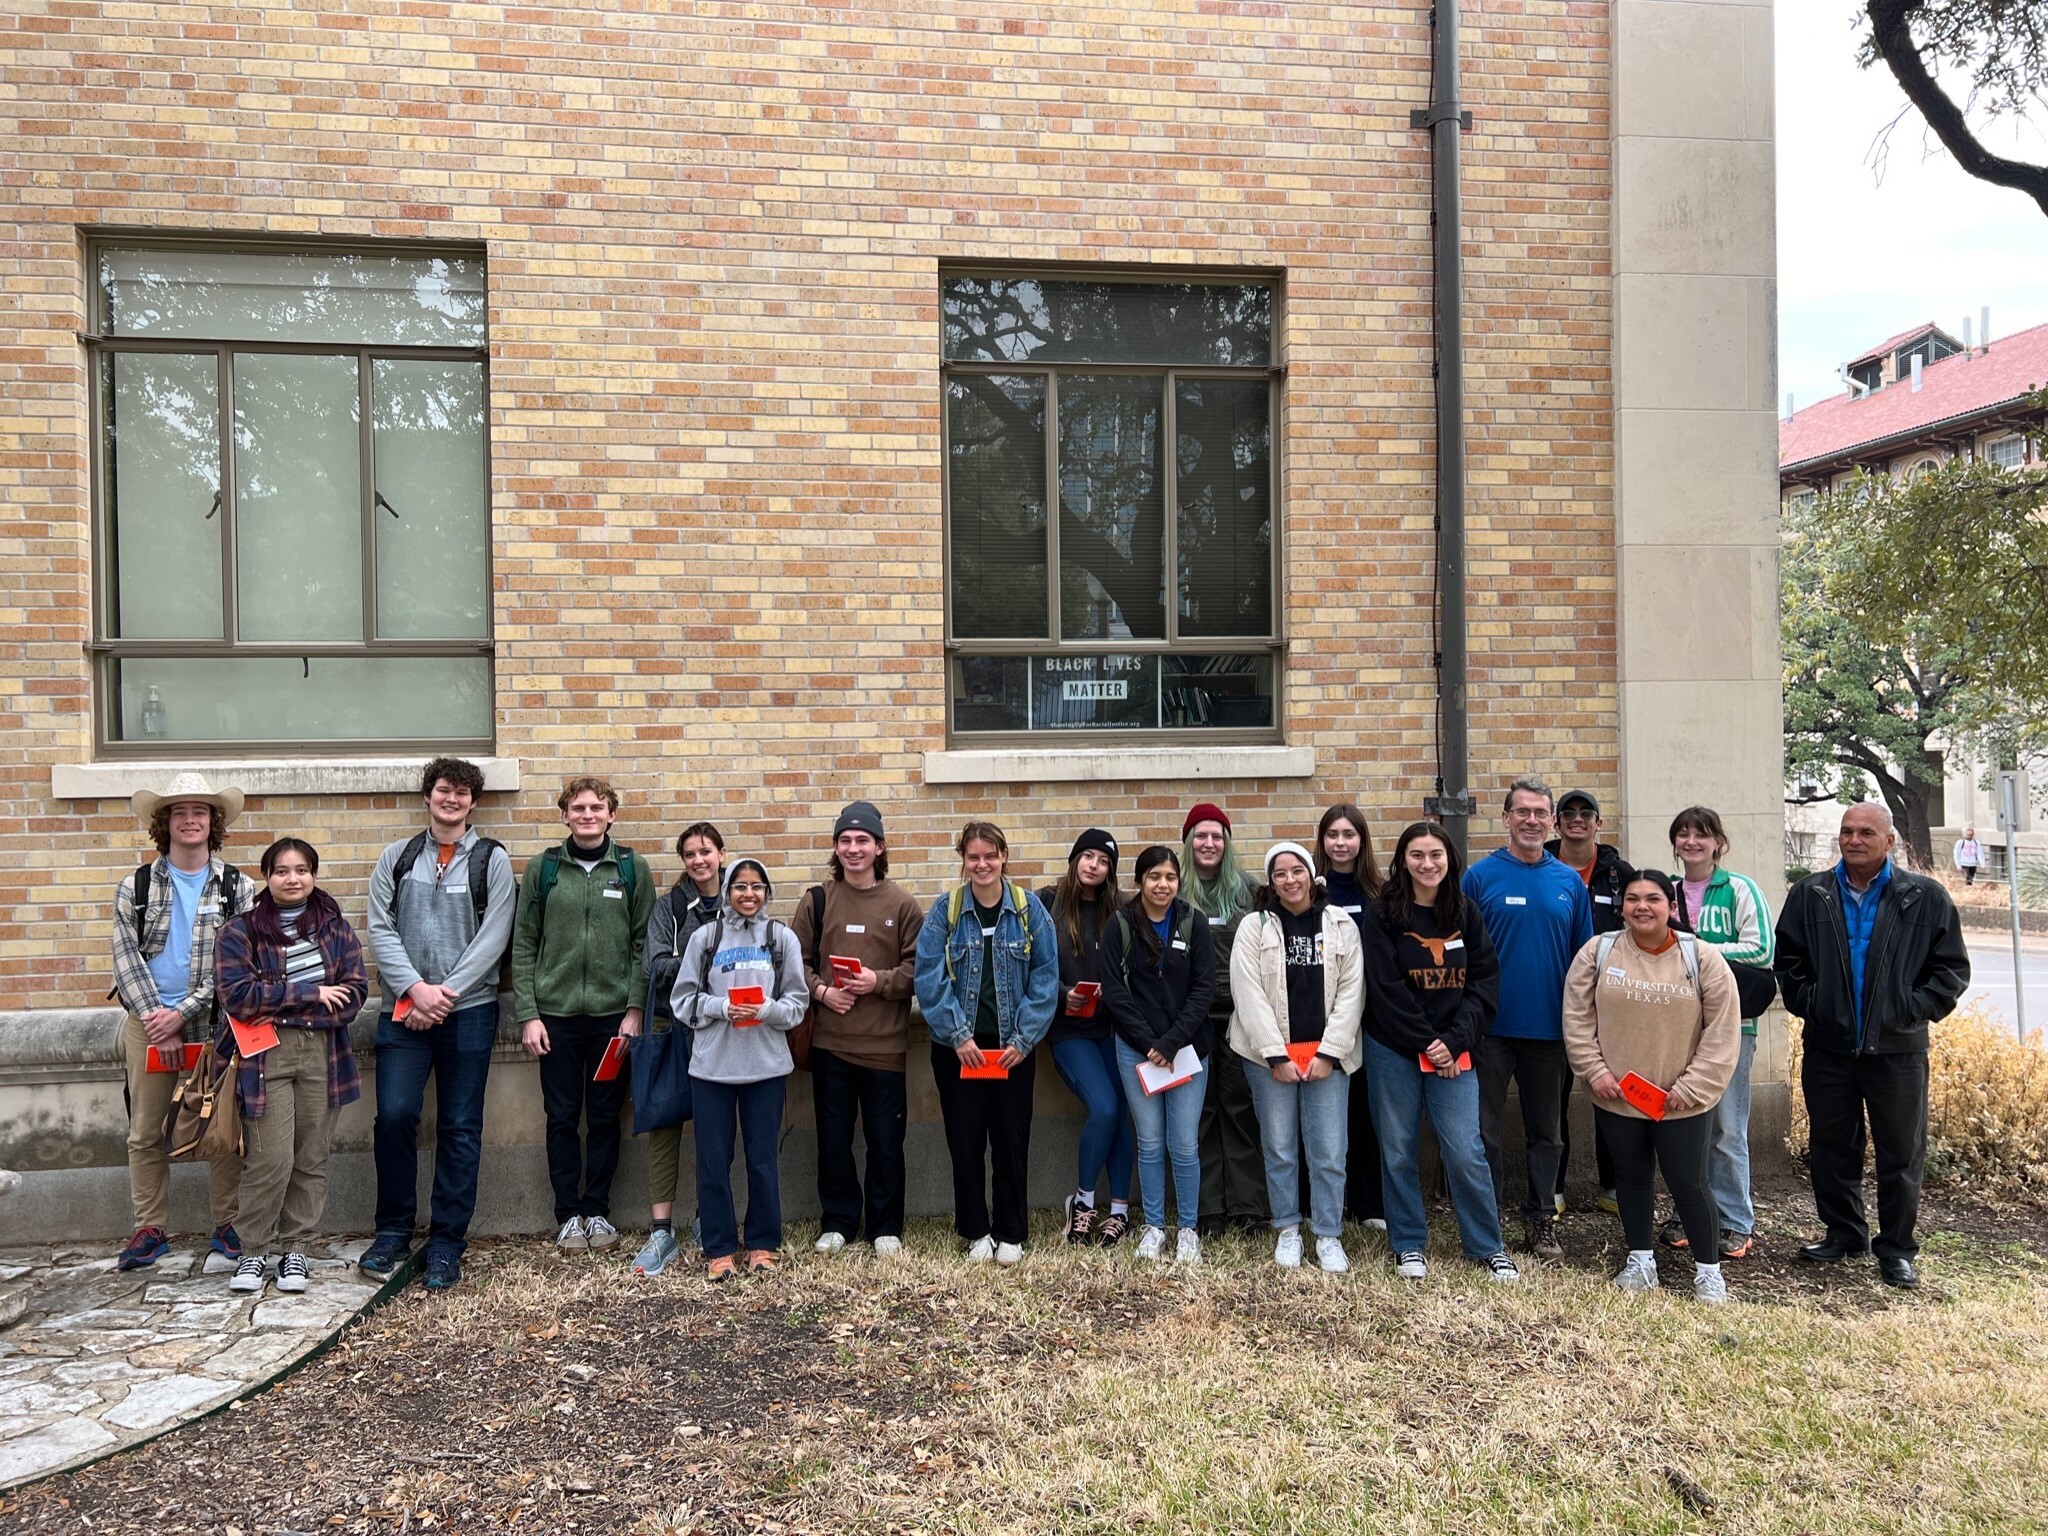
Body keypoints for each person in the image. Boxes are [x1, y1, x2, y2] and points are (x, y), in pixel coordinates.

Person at [1776, 802, 1970, 1289]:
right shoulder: (1810, 894)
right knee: (1831, 1146)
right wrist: (1813, 1003)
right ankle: (1843, 1234)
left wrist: (1910, 1008)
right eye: (1846, 831)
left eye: (1866, 832)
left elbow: (1951, 970)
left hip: (1898, 1050)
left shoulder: (1924, 897)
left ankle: (1897, 1249)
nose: (1853, 840)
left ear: (1889, 842)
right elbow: (1789, 962)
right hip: (1829, 1046)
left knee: (1900, 1151)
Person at [359, 758, 515, 1292]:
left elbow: (495, 934)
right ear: (429, 796)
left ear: (473, 802)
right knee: (395, 1116)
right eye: (444, 790)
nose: (452, 799)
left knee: (460, 1127)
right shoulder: (396, 858)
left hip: (468, 1012)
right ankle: (394, 1231)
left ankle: (448, 1243)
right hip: (403, 1011)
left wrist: (445, 993)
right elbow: (379, 928)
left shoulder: (491, 860)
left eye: (463, 792)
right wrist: (415, 990)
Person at [1563, 869, 1741, 1304]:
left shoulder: (1701, 958)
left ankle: (1708, 1272)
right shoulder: (1599, 952)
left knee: (1690, 1183)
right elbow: (1576, 1015)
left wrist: (1692, 1087)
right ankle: (1641, 1261)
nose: (1642, 906)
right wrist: (1594, 1070)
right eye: (1632, 898)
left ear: (1672, 907)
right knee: (1631, 1178)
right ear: (1621, 906)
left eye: (1653, 898)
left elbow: (1721, 1032)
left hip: (1680, 1101)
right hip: (1617, 1094)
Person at [1361, 822, 1521, 1283]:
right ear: (1402, 860)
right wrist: (1426, 1042)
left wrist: (1452, 1043)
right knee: (1398, 1149)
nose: (1427, 864)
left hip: (1455, 1050)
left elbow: (1484, 982)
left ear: (1449, 858)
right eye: (1417, 855)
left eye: (1435, 854)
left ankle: (1486, 1245)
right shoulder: (1384, 913)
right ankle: (1409, 1243)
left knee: (1466, 1150)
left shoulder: (1465, 912)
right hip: (1393, 1048)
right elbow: (1385, 987)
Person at [109, 773, 255, 1273]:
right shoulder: (138, 886)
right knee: (145, 1131)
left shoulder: (239, 887)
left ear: (213, 823)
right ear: (163, 823)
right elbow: (125, 958)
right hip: (147, 1024)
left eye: (200, 812)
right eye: (179, 812)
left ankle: (228, 1223)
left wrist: (183, 1014)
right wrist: (157, 1020)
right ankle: (150, 1227)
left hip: (216, 1026)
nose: (190, 820)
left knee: (224, 1126)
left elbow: (240, 966)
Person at [213, 838, 368, 1295]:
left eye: (302, 870)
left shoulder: (336, 931)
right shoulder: (239, 932)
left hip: (324, 1053)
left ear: (314, 875)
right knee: (269, 1158)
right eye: (282, 871)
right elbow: (237, 997)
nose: (292, 879)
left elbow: (353, 996)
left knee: (310, 1158)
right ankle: (254, 1251)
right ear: (267, 877)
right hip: (264, 1057)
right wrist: (311, 994)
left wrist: (277, 1000)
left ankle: (296, 1249)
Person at [511, 776, 656, 1254]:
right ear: (565, 815)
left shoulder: (632, 870)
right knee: (561, 1116)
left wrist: (635, 1009)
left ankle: (597, 1210)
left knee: (605, 1116)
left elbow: (644, 946)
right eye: (578, 808)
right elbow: (525, 943)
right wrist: (529, 1014)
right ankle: (567, 1214)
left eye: (597, 807)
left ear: (611, 814)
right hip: (555, 1019)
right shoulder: (544, 869)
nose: (588, 814)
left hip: (613, 1020)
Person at [914, 822, 1059, 1264]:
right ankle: (976, 1230)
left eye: (990, 856)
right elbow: (928, 978)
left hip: (1012, 1050)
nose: (982, 865)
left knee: (1012, 1139)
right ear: (964, 860)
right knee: (966, 1139)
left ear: (1004, 857)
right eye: (973, 857)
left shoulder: (1029, 910)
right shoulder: (946, 911)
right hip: (961, 1051)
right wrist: (958, 1036)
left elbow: (1046, 978)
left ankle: (1011, 1231)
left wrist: (1024, 1038)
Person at [1462, 775, 1593, 1261]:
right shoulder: (1478, 878)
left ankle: (1541, 1220)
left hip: (1550, 1031)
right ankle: (1487, 1216)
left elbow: (1584, 963)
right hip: (1488, 1030)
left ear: (1552, 821)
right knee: (1483, 1132)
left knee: (1549, 1134)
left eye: (1541, 813)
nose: (1532, 821)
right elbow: (1461, 956)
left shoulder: (1568, 883)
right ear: (1506, 818)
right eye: (1523, 812)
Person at [796, 801, 924, 1258]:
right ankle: (838, 1221)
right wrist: (822, 992)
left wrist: (879, 981)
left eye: (862, 840)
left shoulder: (902, 904)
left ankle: (886, 1226)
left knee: (886, 1141)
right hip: (830, 1044)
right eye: (845, 841)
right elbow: (795, 966)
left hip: (885, 1048)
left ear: (879, 847)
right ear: (835, 847)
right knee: (833, 1138)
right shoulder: (817, 900)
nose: (853, 848)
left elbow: (919, 970)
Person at [1229, 842, 1363, 1273]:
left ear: (1311, 874)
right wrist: (1274, 1055)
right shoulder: (1254, 927)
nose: (1290, 880)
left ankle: (1327, 1234)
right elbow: (1246, 992)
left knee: (1328, 1150)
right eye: (1280, 874)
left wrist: (1330, 1052)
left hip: (1328, 1059)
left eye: (1297, 870)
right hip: (1269, 1060)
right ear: (1271, 882)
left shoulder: (1341, 924)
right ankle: (1288, 1229)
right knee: (1281, 1148)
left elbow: (1352, 993)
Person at [673, 856, 809, 1279]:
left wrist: (766, 1009)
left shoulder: (781, 938)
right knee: (713, 1160)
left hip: (766, 1067)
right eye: (739, 886)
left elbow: (798, 1004)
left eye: (756, 886)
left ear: (767, 892)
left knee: (762, 1158)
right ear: (727, 890)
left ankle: (763, 1244)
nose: (748, 894)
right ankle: (719, 1248)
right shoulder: (705, 937)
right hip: (713, 1067)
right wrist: (721, 1007)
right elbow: (683, 1001)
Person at [1101, 845, 1217, 1265]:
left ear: (1178, 881)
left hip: (1187, 1051)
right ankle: (1153, 1226)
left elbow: (1205, 988)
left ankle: (1187, 1229)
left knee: (1184, 1145)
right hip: (1136, 1051)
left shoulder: (1193, 922)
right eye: (1154, 877)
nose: (1162, 885)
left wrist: (1170, 1043)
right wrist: (1149, 1042)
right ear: (1140, 880)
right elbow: (1114, 991)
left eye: (1170, 877)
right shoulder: (1120, 925)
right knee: (1149, 1143)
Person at [1669, 805, 1774, 1262]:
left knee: (1727, 1129)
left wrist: (1699, 949)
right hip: (1676, 1026)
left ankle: (1734, 1221)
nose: (1692, 842)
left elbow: (1761, 948)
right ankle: (1691, 1213)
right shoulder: (1667, 891)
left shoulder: (1739, 889)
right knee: (1685, 1127)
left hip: (1731, 1026)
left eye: (1702, 834)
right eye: (1684, 834)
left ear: (1718, 842)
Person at [634, 821, 727, 1275]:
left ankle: (710, 1219)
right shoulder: (669, 908)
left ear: (722, 855)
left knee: (716, 1127)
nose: (698, 860)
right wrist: (705, 954)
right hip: (674, 1027)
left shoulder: (742, 898)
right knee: (666, 1122)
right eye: (690, 854)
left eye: (706, 851)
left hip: (727, 1030)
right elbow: (655, 967)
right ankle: (661, 1230)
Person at [1039, 828, 1135, 1245]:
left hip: (1113, 1030)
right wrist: (1063, 996)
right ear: (1075, 859)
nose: (1094, 865)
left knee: (1122, 1114)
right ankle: (1082, 1203)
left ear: (1111, 869)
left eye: (1103, 860)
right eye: (1087, 856)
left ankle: (1118, 1212)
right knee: (1106, 1108)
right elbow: (1034, 966)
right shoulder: (1047, 904)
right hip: (1068, 1030)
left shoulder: (1122, 908)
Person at [1181, 804, 1269, 1234]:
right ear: (1188, 843)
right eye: (1200, 836)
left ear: (1227, 843)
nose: (1209, 844)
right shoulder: (1174, 889)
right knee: (1201, 1112)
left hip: (1239, 1018)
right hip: (1190, 1020)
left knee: (1239, 1109)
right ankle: (1207, 1207)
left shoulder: (1248, 892)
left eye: (1217, 836)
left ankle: (1248, 1205)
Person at [1546, 788, 1635, 1215]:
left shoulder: (1620, 874)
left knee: (1611, 1094)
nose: (1577, 819)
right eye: (1568, 813)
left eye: (1586, 813)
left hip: (1611, 1004)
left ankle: (1614, 1187)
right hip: (1553, 1000)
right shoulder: (1540, 867)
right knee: (1552, 1097)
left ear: (1599, 823)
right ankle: (1554, 1187)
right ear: (1556, 822)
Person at [1313, 803, 1387, 1230]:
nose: (1341, 843)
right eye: (1333, 834)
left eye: (1349, 834)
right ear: (1322, 841)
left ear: (1362, 840)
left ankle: (1369, 1203)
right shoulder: (1311, 892)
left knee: (1366, 1112)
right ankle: (1324, 1202)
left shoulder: (1380, 892)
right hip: (1323, 1021)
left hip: (1373, 1019)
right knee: (1324, 1116)